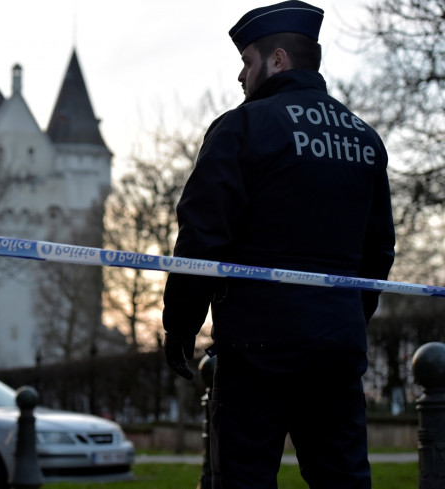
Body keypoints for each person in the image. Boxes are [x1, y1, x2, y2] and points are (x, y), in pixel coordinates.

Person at [161, 1, 396, 488]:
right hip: (337, 347)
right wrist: (344, 316)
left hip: (257, 348)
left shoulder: (242, 128)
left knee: (244, 480)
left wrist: (180, 327)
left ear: (278, 60)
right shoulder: (365, 140)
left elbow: (203, 237)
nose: (241, 78)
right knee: (344, 479)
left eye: (247, 62)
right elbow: (378, 253)